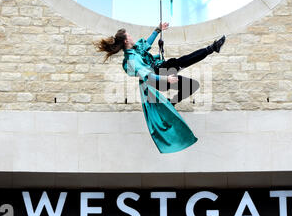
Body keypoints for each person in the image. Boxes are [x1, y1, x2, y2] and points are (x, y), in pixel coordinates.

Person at [96, 23, 225, 154]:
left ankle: (172, 102)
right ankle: (212, 48)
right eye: (129, 35)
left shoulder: (135, 50)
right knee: (180, 62)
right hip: (158, 77)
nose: (131, 36)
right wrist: (166, 79)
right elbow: (148, 76)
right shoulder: (130, 60)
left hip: (161, 73)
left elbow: (146, 44)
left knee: (192, 85)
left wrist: (157, 30)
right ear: (126, 40)